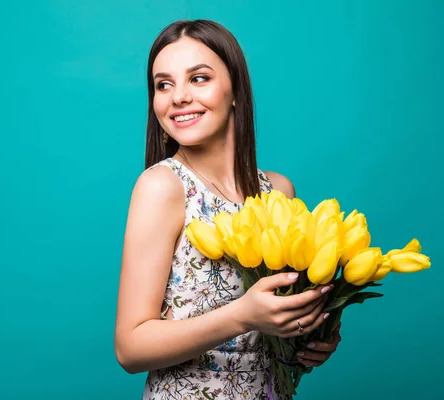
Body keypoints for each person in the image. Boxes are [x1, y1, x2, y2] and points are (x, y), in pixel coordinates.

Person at [114, 20, 341, 400]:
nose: (178, 97)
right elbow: (130, 347)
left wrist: (313, 335)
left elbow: (277, 319)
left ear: (235, 88)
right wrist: (241, 315)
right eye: (163, 84)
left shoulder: (278, 191)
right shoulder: (163, 187)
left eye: (198, 78)